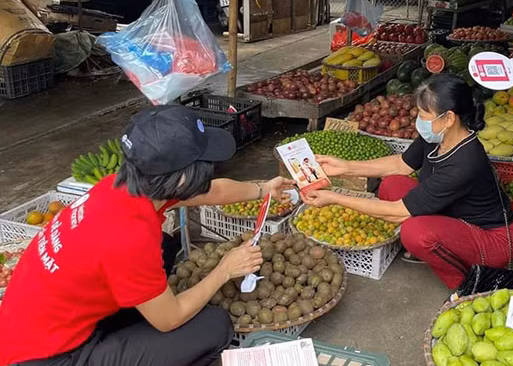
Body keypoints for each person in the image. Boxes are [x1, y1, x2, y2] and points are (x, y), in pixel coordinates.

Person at [0, 105, 294, 366]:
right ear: (180, 178)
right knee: (214, 326)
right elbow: (169, 319)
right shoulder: (129, 236)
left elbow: (211, 191)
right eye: (204, 164)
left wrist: (261, 189)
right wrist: (224, 270)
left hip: (39, 325)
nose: (210, 169)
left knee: (165, 247)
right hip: (47, 357)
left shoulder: (122, 186)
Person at [301, 74, 513, 289]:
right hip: (453, 214)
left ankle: (466, 283)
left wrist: (334, 197)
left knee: (415, 232)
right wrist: (346, 167)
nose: (419, 121)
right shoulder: (437, 137)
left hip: (492, 239)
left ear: (449, 118)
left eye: (424, 115)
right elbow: (400, 165)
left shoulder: (465, 162)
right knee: (392, 183)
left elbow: (396, 211)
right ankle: (438, 244)